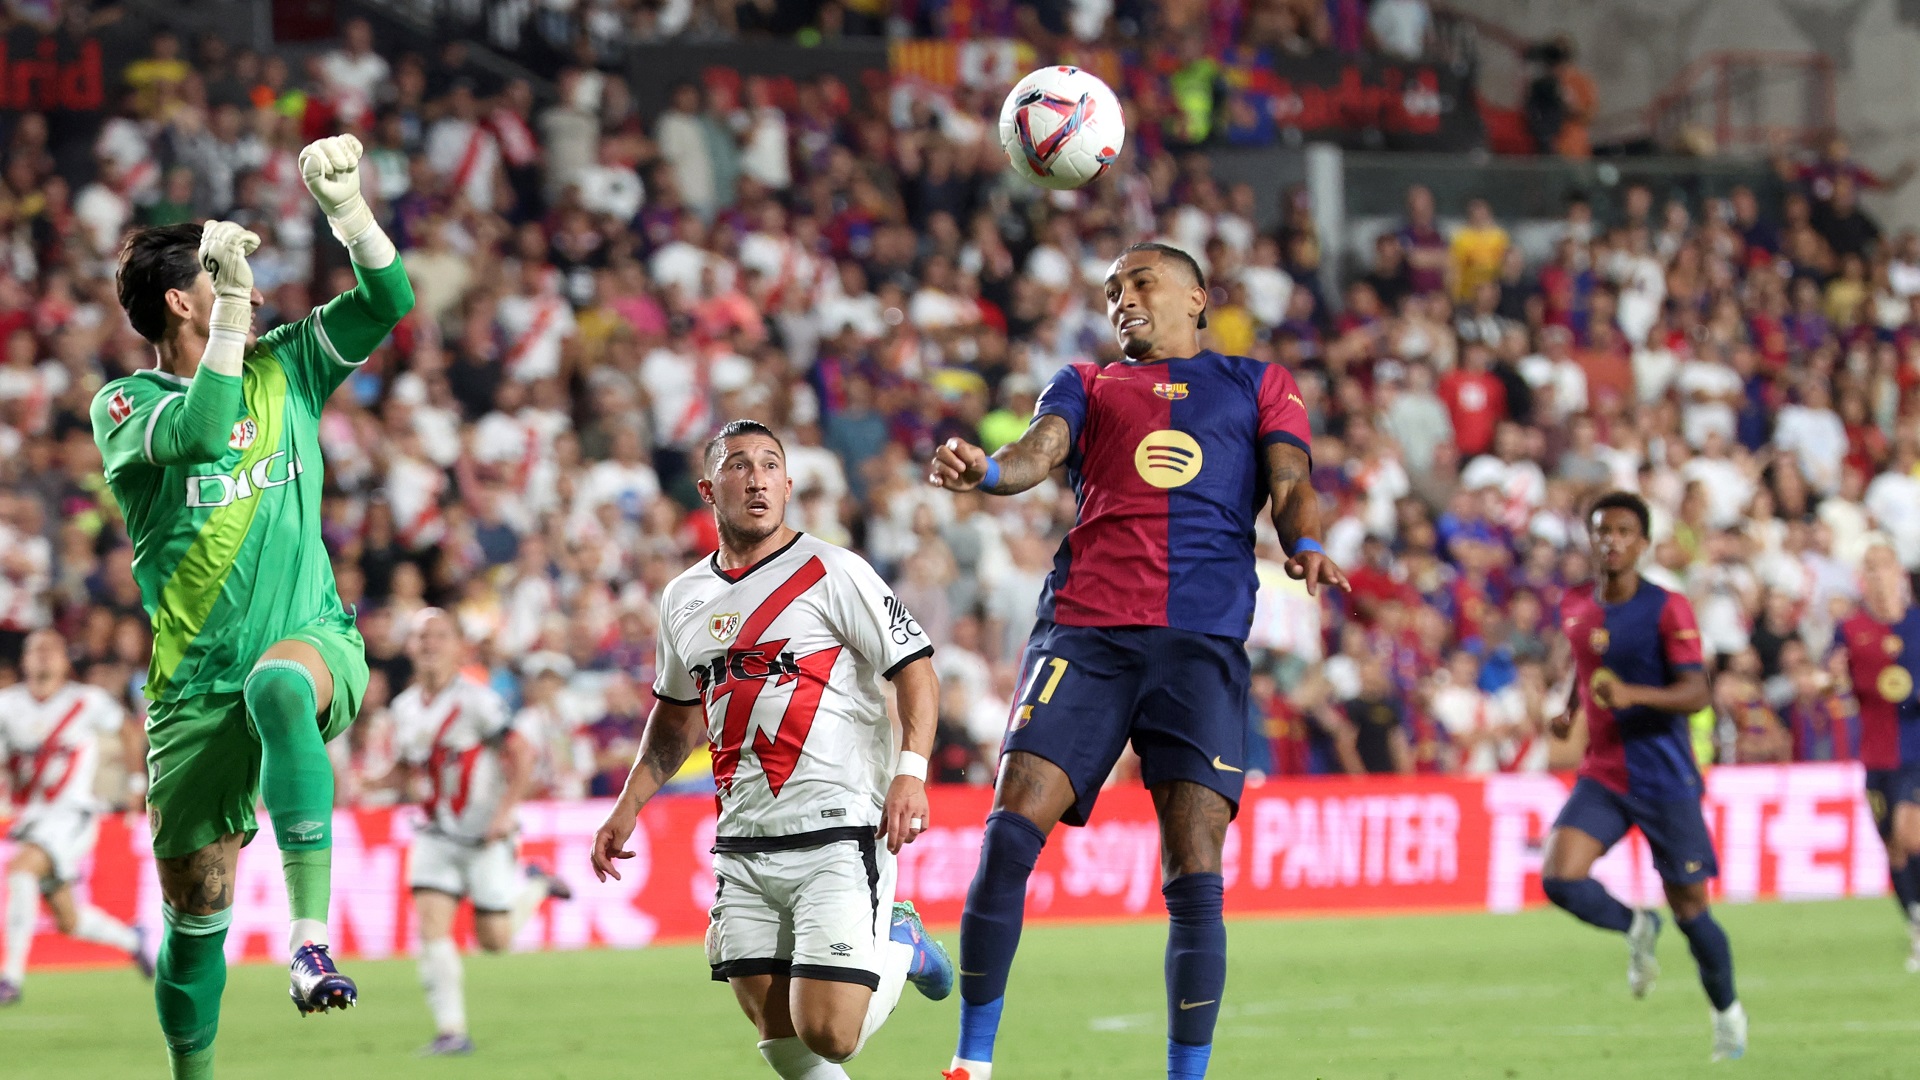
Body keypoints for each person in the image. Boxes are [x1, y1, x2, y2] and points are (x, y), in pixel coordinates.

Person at [927, 242, 1347, 1080]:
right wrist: (990, 468)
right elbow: (1041, 452)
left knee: (1195, 869)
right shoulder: (1086, 383)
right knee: (1010, 834)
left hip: (1201, 647)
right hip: (1087, 634)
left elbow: (1291, 477)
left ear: (1197, 297)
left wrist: (1302, 541)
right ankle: (973, 1061)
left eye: (1141, 283)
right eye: (1112, 289)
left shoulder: (1259, 383)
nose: (1122, 300)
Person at [89, 135, 413, 1078]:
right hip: (191, 693)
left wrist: (348, 212)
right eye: (224, 273)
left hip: (311, 640)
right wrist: (232, 309)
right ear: (182, 300)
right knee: (193, 918)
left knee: (281, 686)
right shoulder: (123, 407)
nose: (255, 285)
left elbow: (391, 301)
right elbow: (197, 430)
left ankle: (309, 939)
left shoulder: (289, 366)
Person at [590, 420, 953, 1080]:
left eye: (770, 465)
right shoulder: (683, 599)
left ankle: (900, 941)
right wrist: (627, 805)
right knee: (782, 1040)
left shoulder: (835, 571)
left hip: (837, 829)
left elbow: (916, 668)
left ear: (788, 485)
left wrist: (912, 771)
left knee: (832, 1034)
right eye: (738, 465)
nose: (756, 477)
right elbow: (675, 723)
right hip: (744, 841)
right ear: (708, 488)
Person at [1544, 492, 1745, 1061]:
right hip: (1605, 772)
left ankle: (1726, 1013)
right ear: (1591, 538)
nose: (1611, 540)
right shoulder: (1576, 604)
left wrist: (1633, 695)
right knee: (1560, 879)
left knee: (1692, 911)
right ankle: (1636, 926)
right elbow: (1587, 670)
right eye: (1602, 531)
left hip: (1664, 778)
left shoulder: (1668, 608)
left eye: (1624, 531)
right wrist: (1570, 709)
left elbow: (1697, 692)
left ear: (1643, 542)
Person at [385, 609, 571, 1055]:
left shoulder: (477, 700)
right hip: (434, 832)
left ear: (456, 646)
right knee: (431, 926)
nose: (429, 644)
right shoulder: (403, 707)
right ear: (409, 647)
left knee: (495, 942)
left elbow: (521, 753)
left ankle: (535, 883)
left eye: (438, 635)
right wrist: (377, 781)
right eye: (420, 636)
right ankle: (452, 1032)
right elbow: (409, 767)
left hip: (485, 833)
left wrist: (506, 813)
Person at [1, 629, 152, 1003]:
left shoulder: (86, 701)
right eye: (36, 649)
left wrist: (136, 784)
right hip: (31, 817)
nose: (44, 656)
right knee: (69, 920)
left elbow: (129, 733)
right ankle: (133, 940)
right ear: (24, 660)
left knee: (22, 871)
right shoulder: (7, 704)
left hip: (73, 816)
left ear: (66, 660)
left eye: (52, 649)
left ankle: (10, 978)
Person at [1830, 543, 1920, 970]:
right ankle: (1916, 924)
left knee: (1909, 833)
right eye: (1871, 567)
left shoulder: (1918, 623)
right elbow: (1835, 676)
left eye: (1885, 565)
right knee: (1892, 846)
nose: (1880, 575)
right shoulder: (1851, 629)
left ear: (1898, 573)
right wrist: (1832, 682)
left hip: (1917, 747)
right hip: (1875, 752)